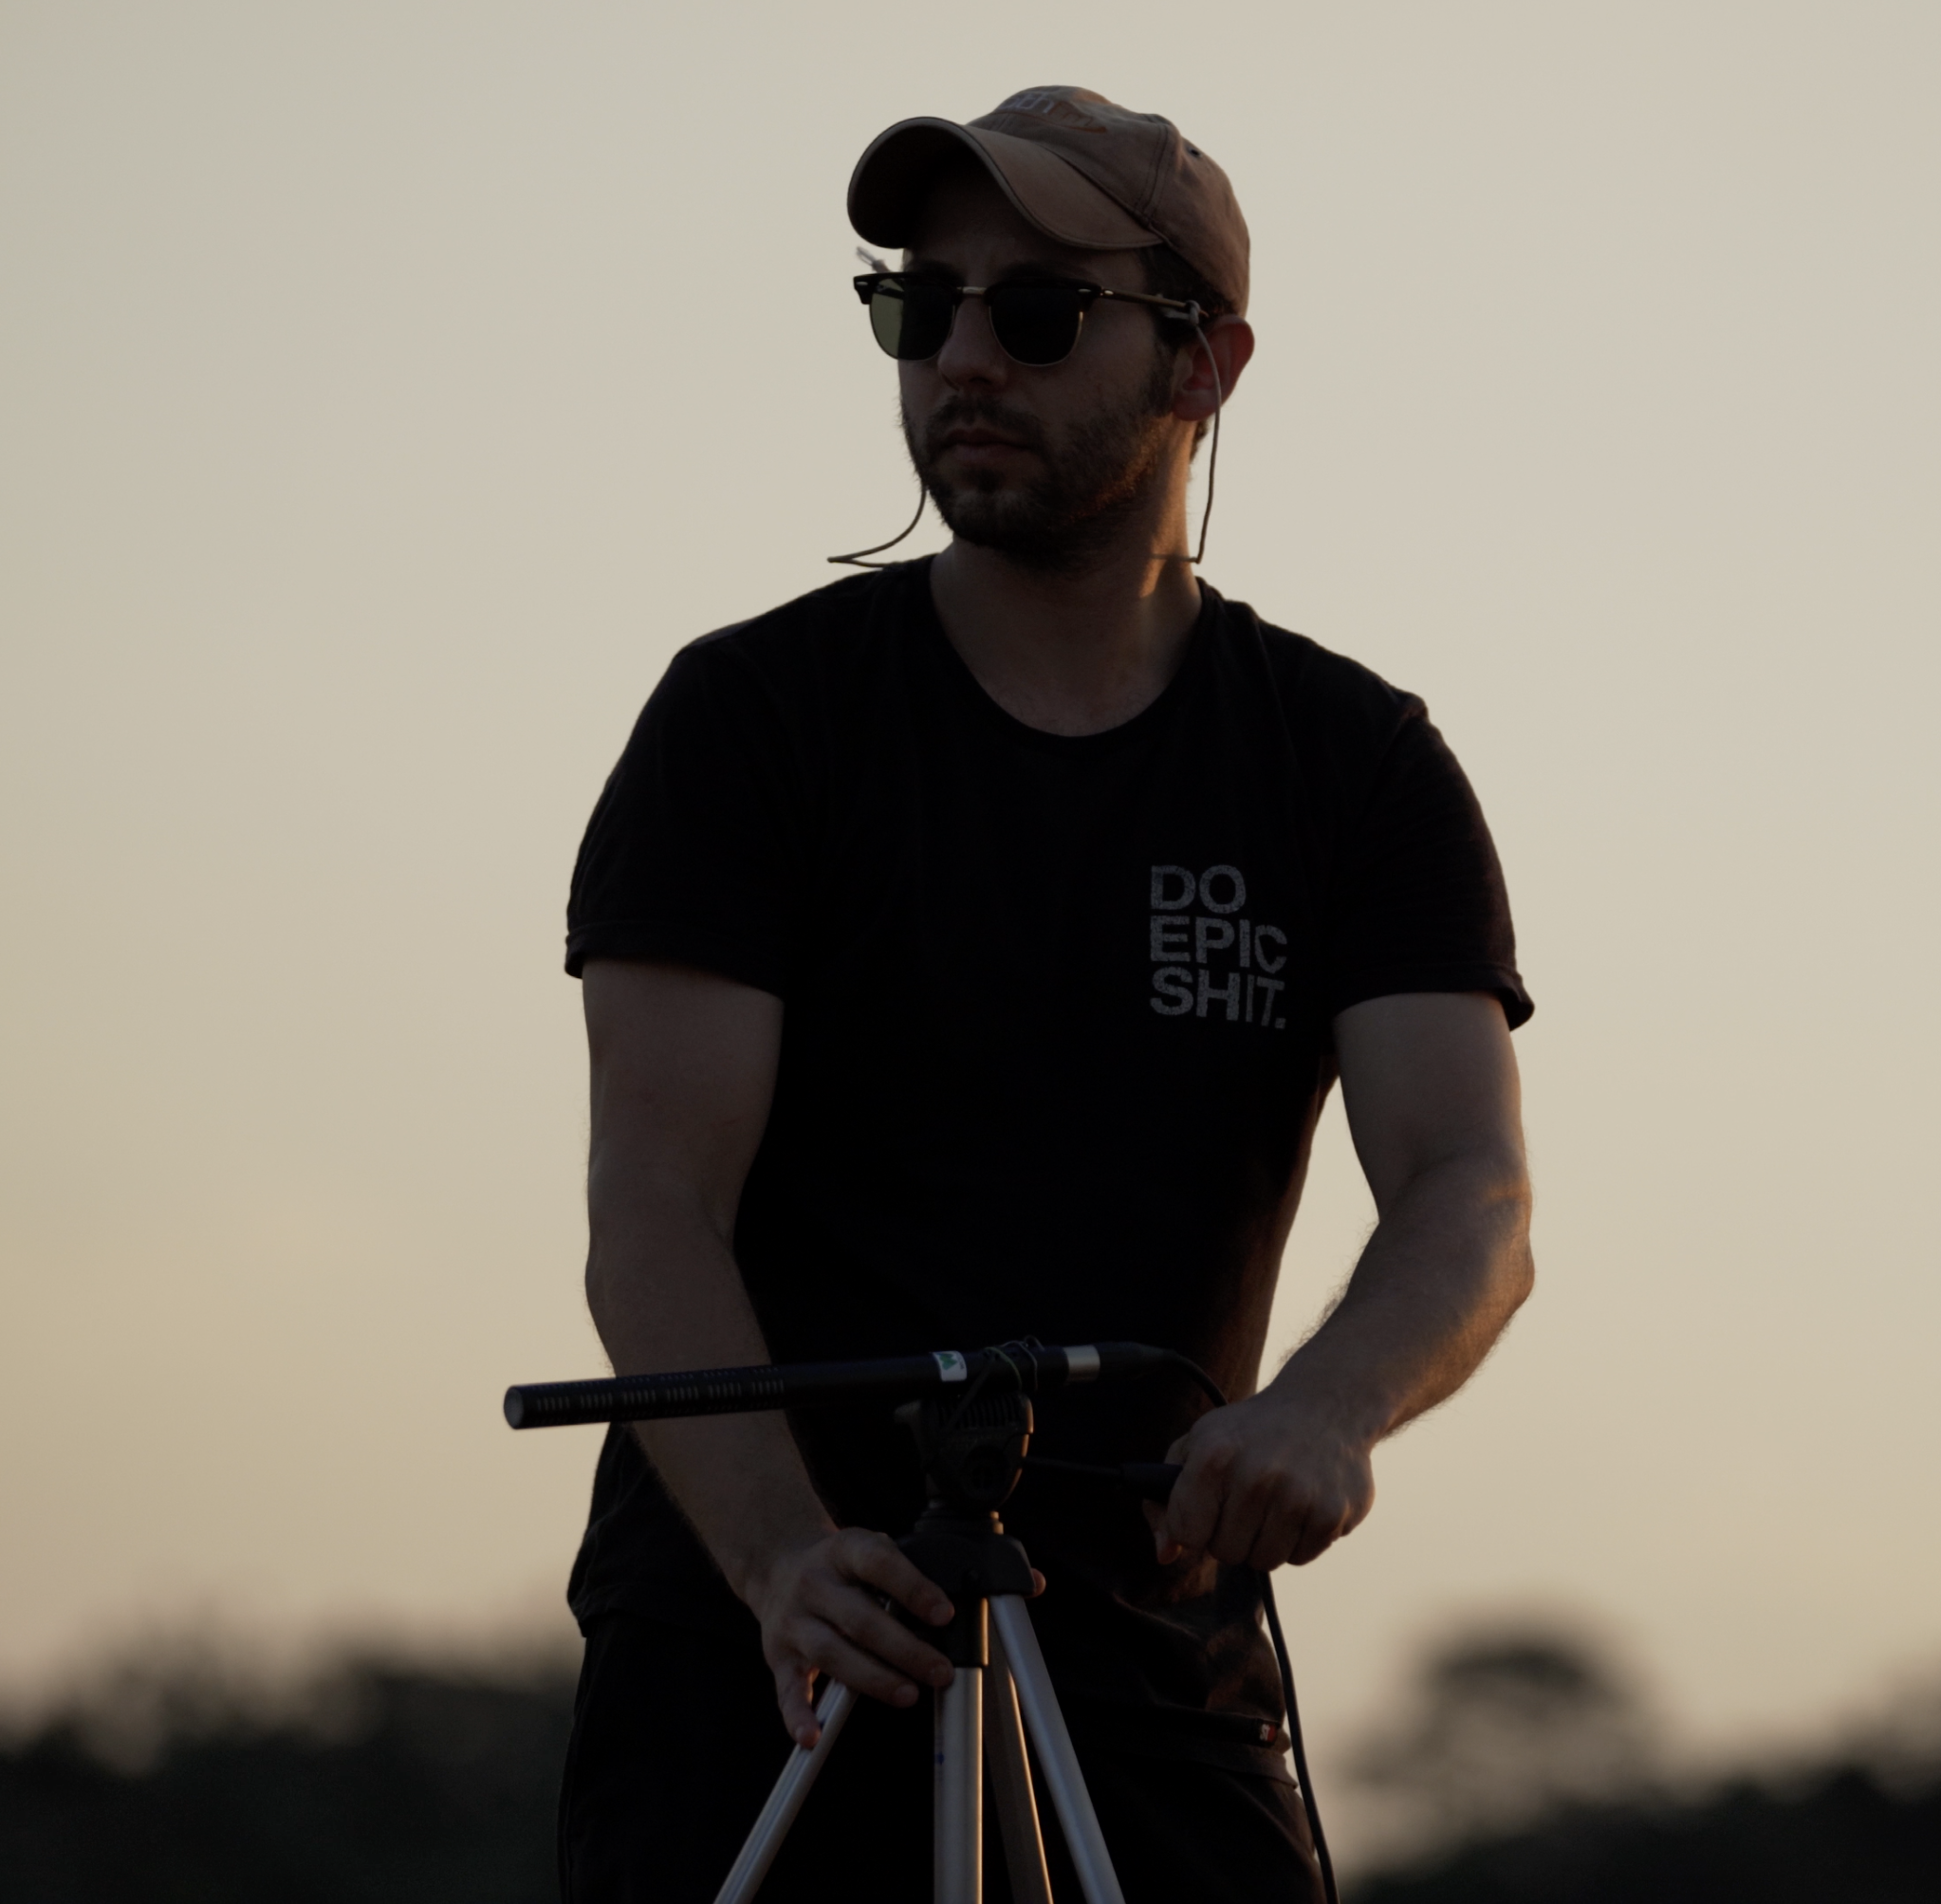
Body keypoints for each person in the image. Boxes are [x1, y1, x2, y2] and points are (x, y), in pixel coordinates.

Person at [554, 85, 1535, 1904]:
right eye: (919, 308)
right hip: (769, 1655)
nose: (961, 359)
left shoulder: (1352, 765)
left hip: (1149, 1650)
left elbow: (1470, 1190)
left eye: (1039, 310)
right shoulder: (752, 721)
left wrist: (1323, 1409)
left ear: (1203, 362)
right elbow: (650, 1203)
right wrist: (782, 1555)